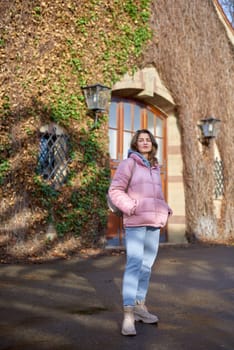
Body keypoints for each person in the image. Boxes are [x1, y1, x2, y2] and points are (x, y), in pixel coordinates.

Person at [108, 129, 172, 336]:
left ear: (153, 144)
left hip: (154, 221)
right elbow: (115, 190)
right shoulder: (129, 163)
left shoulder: (155, 168)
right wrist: (131, 207)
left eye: (148, 140)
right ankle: (128, 315)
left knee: (147, 266)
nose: (144, 142)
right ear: (135, 144)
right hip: (136, 221)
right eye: (140, 140)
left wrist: (165, 207)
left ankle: (139, 308)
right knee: (135, 264)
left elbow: (157, 195)